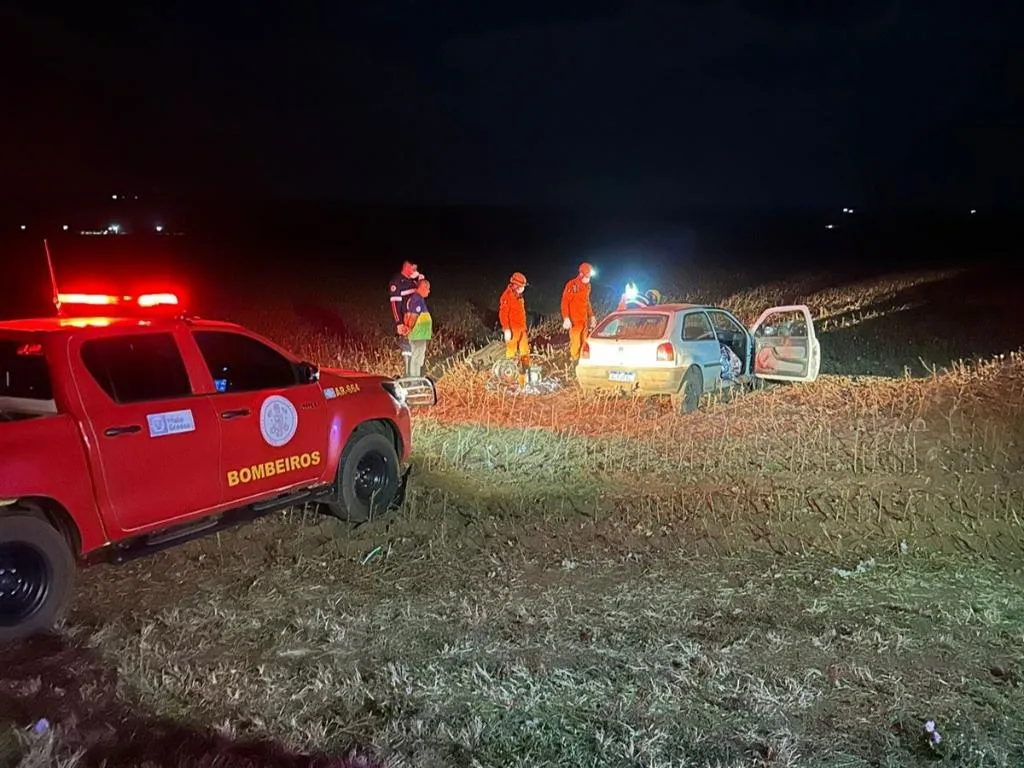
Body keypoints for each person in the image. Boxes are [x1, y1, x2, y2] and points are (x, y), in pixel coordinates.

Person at [388, 261, 426, 375]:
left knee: (419, 350)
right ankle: (408, 375)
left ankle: (416, 376)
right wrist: (399, 323)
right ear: (407, 267)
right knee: (408, 350)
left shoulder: (414, 281)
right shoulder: (397, 282)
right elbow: (395, 305)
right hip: (406, 322)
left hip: (419, 322)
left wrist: (421, 280)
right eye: (414, 268)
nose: (416, 271)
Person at [498, 272, 530, 385]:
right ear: (515, 285)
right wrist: (506, 329)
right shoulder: (506, 297)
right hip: (512, 330)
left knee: (525, 353)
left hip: (522, 329)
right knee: (511, 354)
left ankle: (524, 379)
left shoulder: (519, 296)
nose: (523, 289)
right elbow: (503, 314)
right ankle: (508, 379)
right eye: (521, 286)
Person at [561, 262, 596, 361]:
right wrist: (566, 318)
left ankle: (582, 362)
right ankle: (574, 361)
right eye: (587, 276)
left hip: (584, 320)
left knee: (584, 343)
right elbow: (565, 302)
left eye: (589, 276)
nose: (588, 278)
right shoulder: (572, 285)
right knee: (576, 343)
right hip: (574, 321)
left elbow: (587, 302)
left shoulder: (587, 286)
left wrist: (591, 316)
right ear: (581, 275)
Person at [403, 280, 432, 378]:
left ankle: (415, 379)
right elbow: (413, 317)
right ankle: (415, 381)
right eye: (428, 289)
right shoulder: (417, 300)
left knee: (417, 358)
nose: (429, 291)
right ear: (423, 287)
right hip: (418, 335)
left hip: (419, 335)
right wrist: (409, 330)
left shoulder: (416, 299)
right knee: (416, 360)